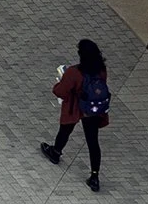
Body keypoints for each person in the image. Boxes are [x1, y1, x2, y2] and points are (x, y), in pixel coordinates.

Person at [41, 35, 110, 190]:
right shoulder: (101, 70)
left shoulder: (74, 72)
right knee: (93, 142)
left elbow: (60, 91)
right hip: (92, 110)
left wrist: (59, 82)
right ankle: (94, 176)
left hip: (75, 107)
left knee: (65, 129)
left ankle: (56, 152)